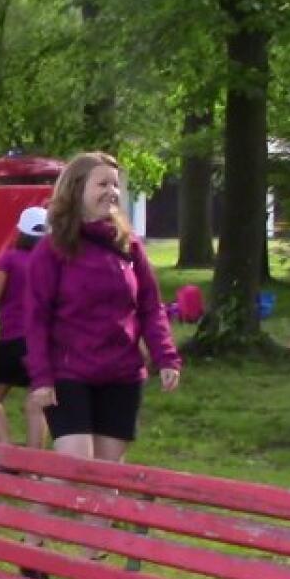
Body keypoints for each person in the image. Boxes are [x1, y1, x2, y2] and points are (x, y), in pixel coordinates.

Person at [25, 152, 180, 469]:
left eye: (115, 184)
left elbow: (150, 307)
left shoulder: (129, 246)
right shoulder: (52, 249)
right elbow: (36, 318)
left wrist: (165, 356)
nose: (112, 192)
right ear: (76, 189)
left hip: (121, 374)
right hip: (68, 374)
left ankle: (90, 509)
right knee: (76, 469)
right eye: (102, 184)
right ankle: (40, 501)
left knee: (107, 478)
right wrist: (41, 377)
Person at [0, 206, 51, 448]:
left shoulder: (10, 258)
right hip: (45, 344)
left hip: (14, 341)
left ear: (21, 231)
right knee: (37, 403)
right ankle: (33, 463)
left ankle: (5, 449)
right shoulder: (54, 262)